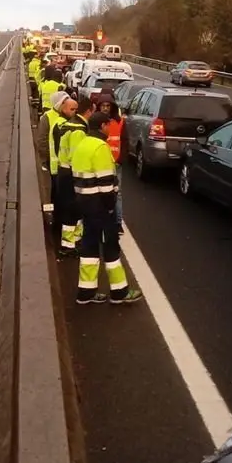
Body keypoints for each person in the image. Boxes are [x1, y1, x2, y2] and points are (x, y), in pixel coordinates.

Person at [71, 112, 143, 305]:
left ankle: (85, 293)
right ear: (102, 126)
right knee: (110, 246)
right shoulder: (100, 147)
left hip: (84, 202)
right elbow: (105, 183)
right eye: (108, 125)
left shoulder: (82, 145)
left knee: (90, 246)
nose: (109, 129)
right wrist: (111, 207)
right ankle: (119, 292)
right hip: (99, 206)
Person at [55, 95, 93, 255]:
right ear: (89, 111)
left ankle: (73, 241)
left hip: (63, 172)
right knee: (73, 209)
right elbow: (76, 157)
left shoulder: (69, 124)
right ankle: (68, 245)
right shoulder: (78, 130)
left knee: (72, 209)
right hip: (71, 174)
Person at [37, 91, 72, 240]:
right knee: (57, 195)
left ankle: (63, 222)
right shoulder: (48, 117)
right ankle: (58, 224)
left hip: (66, 165)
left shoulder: (69, 116)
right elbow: (42, 141)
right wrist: (46, 158)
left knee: (65, 196)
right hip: (55, 165)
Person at [96, 91, 125, 235]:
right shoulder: (96, 122)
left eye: (108, 106)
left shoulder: (119, 122)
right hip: (101, 163)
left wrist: (120, 159)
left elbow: (124, 141)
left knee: (117, 193)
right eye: (103, 105)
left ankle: (118, 222)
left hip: (115, 163)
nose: (105, 108)